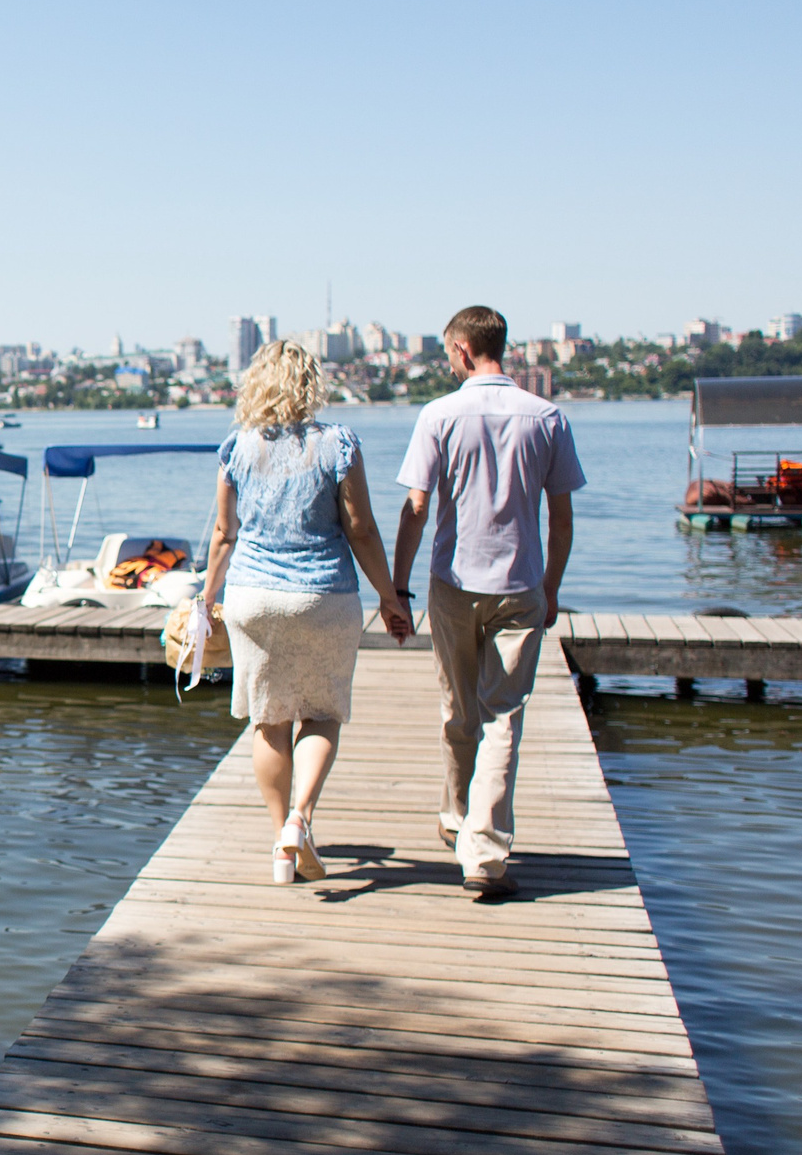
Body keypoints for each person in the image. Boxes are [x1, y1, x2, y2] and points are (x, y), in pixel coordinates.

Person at [391, 305, 586, 901]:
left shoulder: (439, 415)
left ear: (460, 349)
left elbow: (417, 508)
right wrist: (551, 586)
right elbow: (561, 517)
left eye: (447, 352)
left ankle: (456, 818)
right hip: (520, 584)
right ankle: (484, 850)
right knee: (503, 716)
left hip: (452, 583)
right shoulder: (547, 417)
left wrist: (397, 588)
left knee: (458, 707)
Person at [201, 341, 414, 884]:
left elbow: (225, 534)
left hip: (253, 596)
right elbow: (361, 529)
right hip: (324, 594)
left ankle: (281, 846)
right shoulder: (338, 444)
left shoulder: (237, 447)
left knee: (268, 719)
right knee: (321, 711)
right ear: (310, 384)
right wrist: (390, 597)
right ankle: (300, 818)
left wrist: (207, 599)